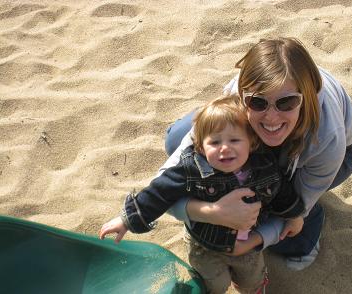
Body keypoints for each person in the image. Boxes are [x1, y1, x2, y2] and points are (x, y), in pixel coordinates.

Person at [164, 37, 352, 271]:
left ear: (305, 98)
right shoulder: (238, 92)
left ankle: (312, 219)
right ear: (243, 96)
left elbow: (289, 220)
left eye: (286, 102)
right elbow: (164, 186)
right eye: (258, 102)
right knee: (178, 139)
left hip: (326, 157)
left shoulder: (328, 136)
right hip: (267, 137)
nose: (271, 117)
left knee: (284, 225)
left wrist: (256, 240)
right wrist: (212, 212)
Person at [99, 94, 304, 293]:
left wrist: (294, 215)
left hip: (247, 242)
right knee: (214, 284)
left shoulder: (265, 168)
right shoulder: (192, 169)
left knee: (252, 278)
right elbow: (159, 192)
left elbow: (282, 193)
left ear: (251, 143)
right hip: (206, 245)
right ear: (201, 146)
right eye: (214, 142)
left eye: (234, 140)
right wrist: (127, 220)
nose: (224, 148)